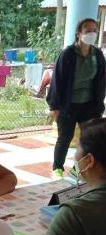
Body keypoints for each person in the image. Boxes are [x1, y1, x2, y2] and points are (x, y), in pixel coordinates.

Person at [47, 18, 106, 179]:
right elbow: (57, 81)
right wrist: (54, 106)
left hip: (89, 106)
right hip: (68, 105)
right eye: (87, 30)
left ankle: (78, 170)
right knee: (65, 137)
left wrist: (99, 106)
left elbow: (101, 81)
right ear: (78, 33)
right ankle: (57, 169)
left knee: (88, 139)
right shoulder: (68, 54)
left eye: (94, 30)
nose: (91, 34)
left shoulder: (98, 55)